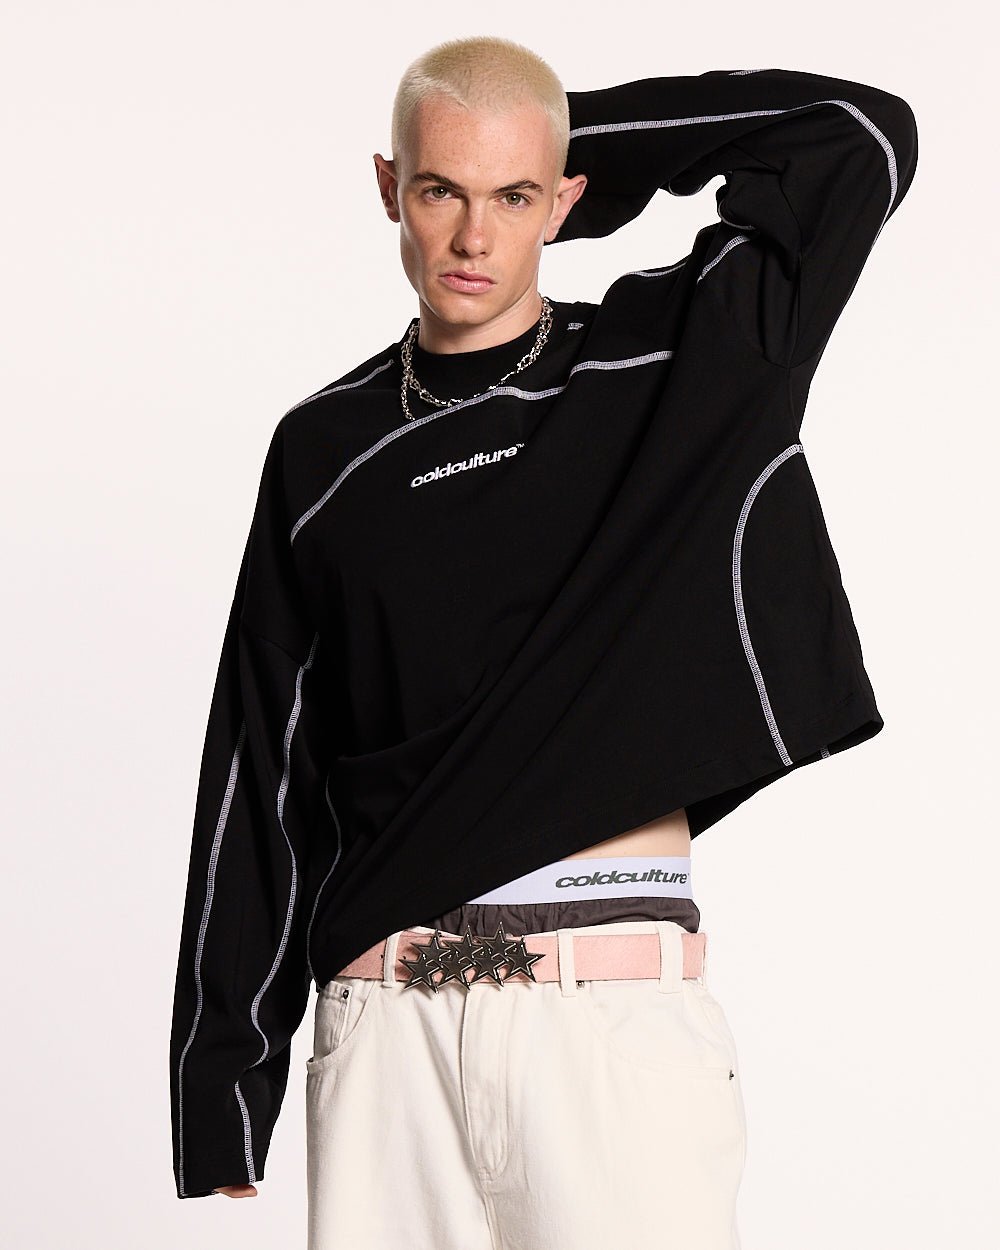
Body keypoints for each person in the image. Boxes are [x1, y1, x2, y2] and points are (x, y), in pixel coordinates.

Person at [168, 34, 918, 1249]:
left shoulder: (677, 356)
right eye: (439, 189)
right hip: (387, 1030)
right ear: (388, 189)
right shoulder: (323, 450)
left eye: (514, 196)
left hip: (602, 1028)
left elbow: (859, 136)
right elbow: (263, 760)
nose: (474, 235)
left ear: (564, 201)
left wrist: (564, 136)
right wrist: (223, 1071)